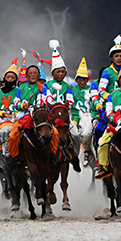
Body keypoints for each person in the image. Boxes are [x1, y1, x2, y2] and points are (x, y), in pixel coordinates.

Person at [8, 64, 59, 167]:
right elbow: (15, 103)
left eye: (35, 73)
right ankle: (16, 158)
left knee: (56, 133)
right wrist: (22, 105)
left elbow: (49, 100)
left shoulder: (44, 87)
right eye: (30, 73)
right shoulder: (21, 88)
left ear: (39, 75)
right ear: (26, 76)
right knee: (13, 136)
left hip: (40, 117)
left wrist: (40, 105)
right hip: (24, 117)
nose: (33, 75)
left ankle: (53, 155)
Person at [45, 40, 80, 172]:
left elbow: (70, 101)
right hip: (50, 117)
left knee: (76, 135)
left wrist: (63, 106)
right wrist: (55, 105)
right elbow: (46, 98)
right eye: (58, 71)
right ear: (53, 73)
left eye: (63, 71)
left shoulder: (68, 86)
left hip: (64, 117)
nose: (60, 73)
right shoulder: (46, 86)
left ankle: (74, 157)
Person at [70, 57, 97, 167]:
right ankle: (72, 153)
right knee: (72, 132)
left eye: (84, 79)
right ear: (76, 79)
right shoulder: (72, 89)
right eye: (80, 79)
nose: (82, 81)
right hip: (76, 116)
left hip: (89, 116)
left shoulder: (92, 89)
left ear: (87, 79)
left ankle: (88, 151)